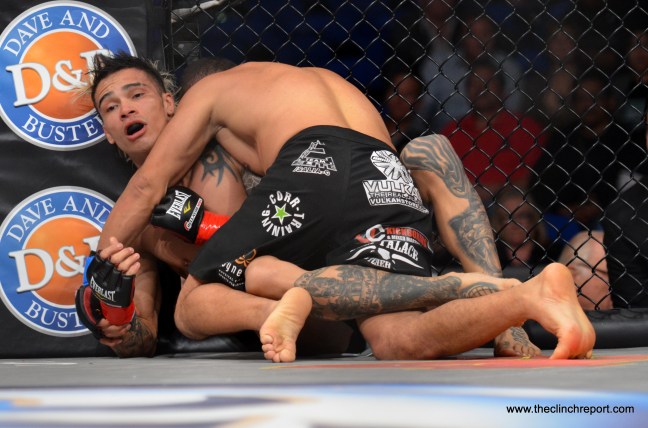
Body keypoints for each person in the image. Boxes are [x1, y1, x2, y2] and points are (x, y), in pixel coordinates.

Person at [88, 53, 594, 361]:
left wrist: (95, 270)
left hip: (314, 167)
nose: (127, 108)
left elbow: (146, 188)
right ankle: (520, 299)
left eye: (137, 95)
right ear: (107, 131)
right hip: (383, 174)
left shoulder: (211, 106)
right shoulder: (301, 84)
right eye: (111, 107)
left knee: (200, 300)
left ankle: (452, 287)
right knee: (396, 342)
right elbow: (140, 328)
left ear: (176, 101)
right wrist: (112, 308)